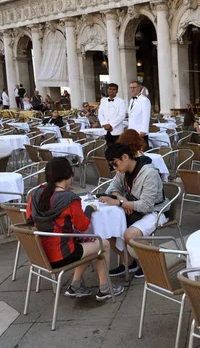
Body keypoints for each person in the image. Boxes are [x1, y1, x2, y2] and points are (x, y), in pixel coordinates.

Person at [26, 157, 124, 300]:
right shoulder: (69, 198)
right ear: (70, 175)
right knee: (104, 244)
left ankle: (76, 286)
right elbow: (83, 225)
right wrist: (89, 209)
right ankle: (105, 288)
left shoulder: (36, 194)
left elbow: (30, 218)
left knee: (86, 243)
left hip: (40, 253)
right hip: (61, 254)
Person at [101, 143, 168, 279]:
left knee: (129, 235)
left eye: (115, 164)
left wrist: (121, 203)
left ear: (125, 157)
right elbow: (112, 188)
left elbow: (146, 205)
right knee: (105, 228)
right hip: (134, 210)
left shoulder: (149, 173)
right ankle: (129, 261)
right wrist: (123, 201)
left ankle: (153, 263)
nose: (114, 168)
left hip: (156, 211)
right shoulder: (123, 171)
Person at [127, 81, 151, 147]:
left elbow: (146, 116)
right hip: (132, 132)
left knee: (142, 151)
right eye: (131, 88)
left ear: (139, 88)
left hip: (140, 132)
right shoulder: (131, 100)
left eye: (134, 87)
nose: (132, 89)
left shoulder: (144, 100)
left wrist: (143, 131)